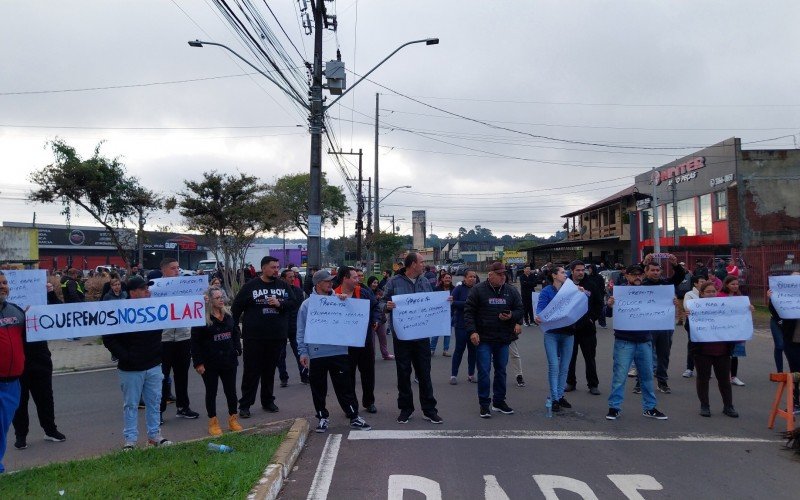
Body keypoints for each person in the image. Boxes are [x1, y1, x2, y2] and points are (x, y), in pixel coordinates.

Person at [102, 276, 172, 449]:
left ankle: (155, 436)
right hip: (131, 368)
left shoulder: (153, 308)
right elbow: (109, 338)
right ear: (133, 292)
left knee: (154, 402)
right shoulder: (120, 310)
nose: (147, 291)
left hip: (153, 364)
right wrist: (125, 356)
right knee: (131, 404)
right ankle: (130, 440)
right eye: (142, 289)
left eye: (147, 288)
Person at [297, 270, 371, 433]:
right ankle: (322, 417)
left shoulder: (340, 299)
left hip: (339, 352)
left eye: (331, 281)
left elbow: (355, 318)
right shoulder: (307, 305)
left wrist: (346, 301)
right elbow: (301, 330)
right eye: (326, 281)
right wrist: (303, 352)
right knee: (318, 388)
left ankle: (353, 416)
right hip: (317, 353)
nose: (330, 283)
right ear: (317, 283)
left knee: (345, 387)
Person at [382, 252, 445, 424]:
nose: (424, 265)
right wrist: (387, 306)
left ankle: (429, 410)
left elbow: (431, 303)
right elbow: (381, 304)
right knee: (403, 373)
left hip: (421, 335)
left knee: (424, 373)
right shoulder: (393, 282)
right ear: (411, 265)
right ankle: (406, 409)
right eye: (421, 262)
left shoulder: (424, 281)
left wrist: (444, 302)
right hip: (402, 337)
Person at [232, 256, 297, 418]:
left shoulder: (283, 285)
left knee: (269, 371)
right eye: (273, 267)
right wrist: (234, 330)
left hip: (276, 337)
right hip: (254, 337)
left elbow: (293, 303)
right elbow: (236, 308)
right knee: (251, 371)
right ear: (263, 268)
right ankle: (245, 404)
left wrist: (280, 304)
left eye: (277, 267)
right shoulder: (251, 286)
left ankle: (267, 401)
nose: (276, 270)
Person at [604, 265, 669, 421]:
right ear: (627, 276)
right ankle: (614, 407)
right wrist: (609, 305)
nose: (637, 277)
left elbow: (661, 309)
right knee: (619, 376)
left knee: (646, 376)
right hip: (624, 340)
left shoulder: (649, 293)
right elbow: (607, 314)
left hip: (644, 340)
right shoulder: (620, 292)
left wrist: (670, 304)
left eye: (640, 274)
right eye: (634, 275)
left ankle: (650, 407)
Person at [12, 282, 66, 450]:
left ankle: (50, 430)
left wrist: (50, 293)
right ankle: (20, 435)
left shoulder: (41, 296)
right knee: (20, 401)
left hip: (40, 356)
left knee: (45, 398)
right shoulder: (7, 307)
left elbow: (60, 312)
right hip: (18, 359)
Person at [465, 262, 522, 418]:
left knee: (501, 371)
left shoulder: (511, 291)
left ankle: (499, 402)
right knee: (484, 371)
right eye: (500, 274)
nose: (503, 276)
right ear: (490, 275)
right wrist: (472, 331)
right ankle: (484, 404)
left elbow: (519, 309)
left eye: (504, 274)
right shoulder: (478, 290)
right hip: (483, 338)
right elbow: (468, 312)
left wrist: (512, 316)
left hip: (503, 338)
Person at [190, 286, 244, 436]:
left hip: (228, 360)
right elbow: (195, 342)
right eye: (218, 298)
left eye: (222, 297)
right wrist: (198, 363)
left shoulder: (228, 315)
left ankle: (233, 418)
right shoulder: (201, 319)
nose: (221, 300)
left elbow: (235, 332)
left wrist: (237, 348)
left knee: (231, 391)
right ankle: (213, 421)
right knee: (211, 392)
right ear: (209, 300)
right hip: (210, 362)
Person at [686, 281, 742, 418]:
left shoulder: (724, 307)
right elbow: (689, 329)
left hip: (722, 350)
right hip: (702, 351)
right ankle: (704, 405)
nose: (711, 294)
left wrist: (747, 310)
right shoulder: (695, 308)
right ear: (702, 294)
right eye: (708, 292)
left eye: (713, 291)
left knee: (724, 379)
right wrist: (689, 317)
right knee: (703, 379)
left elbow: (737, 319)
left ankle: (728, 406)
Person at [158, 258, 200, 421]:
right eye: (173, 268)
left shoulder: (186, 288)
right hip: (163, 339)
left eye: (178, 268)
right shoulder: (154, 289)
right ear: (164, 270)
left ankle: (183, 407)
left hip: (183, 337)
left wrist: (201, 301)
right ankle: (158, 411)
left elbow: (195, 304)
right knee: (161, 377)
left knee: (182, 375)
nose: (177, 271)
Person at [335, 267, 380, 414]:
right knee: (348, 376)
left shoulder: (364, 292)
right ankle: (351, 405)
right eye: (354, 277)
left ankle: (369, 402)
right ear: (345, 279)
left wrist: (375, 320)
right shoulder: (333, 295)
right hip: (345, 344)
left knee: (368, 373)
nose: (358, 279)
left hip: (365, 341)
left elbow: (375, 308)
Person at [640, 254, 686, 395]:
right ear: (646, 272)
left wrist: (675, 264)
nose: (655, 272)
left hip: (665, 325)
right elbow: (633, 276)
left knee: (663, 355)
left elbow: (679, 276)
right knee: (644, 355)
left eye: (657, 270)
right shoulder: (641, 285)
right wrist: (643, 263)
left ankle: (662, 381)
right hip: (647, 326)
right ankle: (640, 382)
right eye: (652, 270)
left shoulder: (666, 284)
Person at [535, 265, 577, 412]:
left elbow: (581, 302)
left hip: (568, 333)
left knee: (564, 367)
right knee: (554, 366)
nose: (565, 274)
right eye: (561, 272)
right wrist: (539, 317)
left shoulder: (570, 289)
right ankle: (554, 398)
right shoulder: (546, 291)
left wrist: (584, 293)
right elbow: (540, 308)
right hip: (552, 333)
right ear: (553, 275)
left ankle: (559, 396)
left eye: (565, 272)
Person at [0, 271, 26, 472]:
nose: (3, 286)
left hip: (13, 383)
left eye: (5, 282)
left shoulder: (16, 312)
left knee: (3, 426)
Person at [564, 261, 602, 396]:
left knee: (590, 358)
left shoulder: (591, 284)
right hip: (570, 329)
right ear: (572, 271)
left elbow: (598, 303)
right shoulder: (565, 284)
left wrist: (592, 318)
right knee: (570, 357)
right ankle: (570, 382)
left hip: (587, 329)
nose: (581, 272)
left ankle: (593, 384)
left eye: (582, 270)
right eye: (578, 270)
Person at [276, 269, 308, 387]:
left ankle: (304, 376)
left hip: (295, 326)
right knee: (281, 354)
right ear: (283, 278)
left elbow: (300, 307)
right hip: (281, 327)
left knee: (299, 352)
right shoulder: (278, 292)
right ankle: (283, 378)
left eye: (294, 276)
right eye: (290, 277)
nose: (292, 279)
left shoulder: (298, 291)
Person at [718, 275, 746, 386]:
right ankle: (724, 375)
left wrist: (750, 308)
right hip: (722, 329)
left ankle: (733, 376)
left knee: (734, 353)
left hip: (735, 330)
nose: (735, 286)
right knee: (723, 353)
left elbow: (744, 311)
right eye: (732, 284)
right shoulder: (719, 296)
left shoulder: (740, 297)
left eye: (737, 284)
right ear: (726, 284)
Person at [451, 270, 478, 384]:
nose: (472, 278)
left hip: (474, 326)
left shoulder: (478, 289)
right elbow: (452, 302)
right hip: (461, 325)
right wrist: (467, 303)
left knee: (473, 351)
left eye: (474, 277)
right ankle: (453, 375)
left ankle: (471, 374)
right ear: (465, 278)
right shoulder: (458, 289)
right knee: (459, 350)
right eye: (470, 276)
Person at [681, 274, 707, 378]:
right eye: (701, 282)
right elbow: (687, 306)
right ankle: (689, 368)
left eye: (705, 281)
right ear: (695, 283)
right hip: (693, 323)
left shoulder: (708, 293)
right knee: (693, 345)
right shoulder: (690, 294)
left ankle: (704, 369)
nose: (704, 283)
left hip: (707, 323)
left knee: (706, 346)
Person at [367, 277, 393, 360]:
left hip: (381, 319)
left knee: (383, 338)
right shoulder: (366, 292)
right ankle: (371, 355)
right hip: (371, 319)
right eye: (374, 282)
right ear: (370, 283)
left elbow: (384, 302)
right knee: (371, 340)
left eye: (376, 283)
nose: (375, 284)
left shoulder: (381, 292)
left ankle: (385, 354)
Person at [430, 273, 454, 356]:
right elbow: (432, 301)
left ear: (451, 279)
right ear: (442, 279)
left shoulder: (454, 289)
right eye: (446, 278)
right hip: (438, 314)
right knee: (436, 332)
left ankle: (445, 350)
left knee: (447, 332)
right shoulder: (437, 289)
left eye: (449, 278)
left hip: (449, 314)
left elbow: (457, 301)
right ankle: (432, 349)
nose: (447, 279)